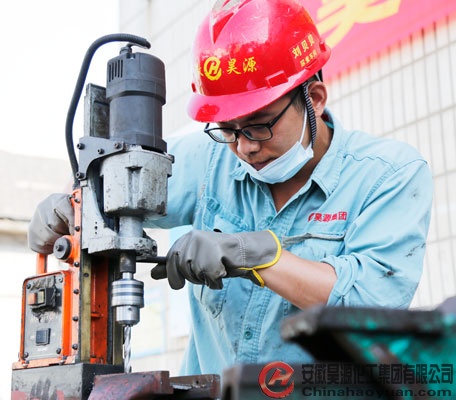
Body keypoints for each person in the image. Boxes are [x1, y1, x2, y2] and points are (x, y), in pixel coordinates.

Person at [28, 0, 432, 378]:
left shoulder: (389, 175)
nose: (244, 147)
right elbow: (114, 186)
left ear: (315, 99)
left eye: (259, 125)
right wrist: (72, 207)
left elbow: (372, 305)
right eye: (228, 129)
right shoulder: (210, 159)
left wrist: (258, 256)